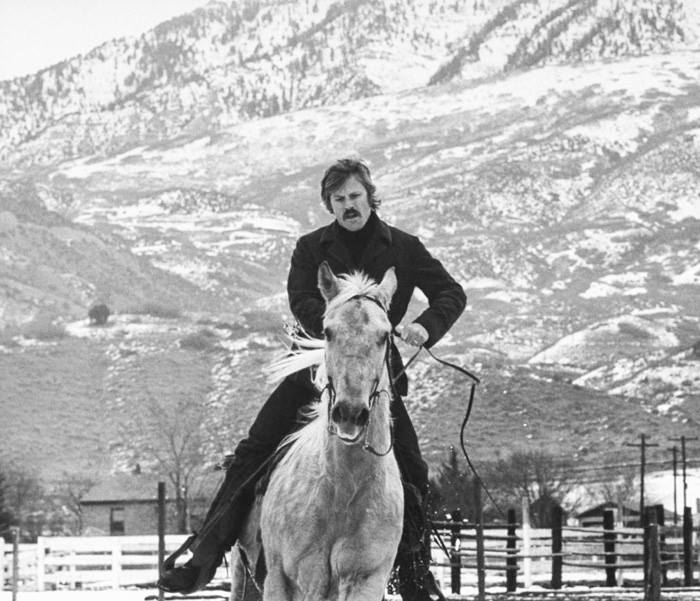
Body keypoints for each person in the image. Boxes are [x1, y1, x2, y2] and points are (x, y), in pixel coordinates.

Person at [158, 158, 466, 600]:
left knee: (413, 469)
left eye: (355, 196)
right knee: (255, 450)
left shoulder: (404, 247)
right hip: (314, 366)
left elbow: (452, 293)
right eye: (339, 199)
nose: (348, 205)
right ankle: (204, 558)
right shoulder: (310, 248)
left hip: (376, 378)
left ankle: (416, 575)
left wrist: (425, 326)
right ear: (329, 204)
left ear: (369, 195)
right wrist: (335, 317)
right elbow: (301, 300)